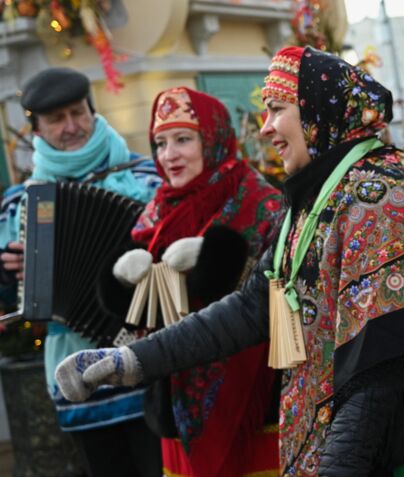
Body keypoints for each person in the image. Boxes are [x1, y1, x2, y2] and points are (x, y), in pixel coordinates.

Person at [55, 47, 404, 476]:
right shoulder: (319, 197)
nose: (265, 129)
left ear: (316, 111)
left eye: (277, 110)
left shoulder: (379, 196)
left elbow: (383, 369)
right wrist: (133, 361)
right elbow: (253, 307)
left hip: (388, 459)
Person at [99, 86, 284, 477]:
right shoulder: (156, 212)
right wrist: (123, 279)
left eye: (183, 139)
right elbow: (139, 317)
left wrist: (212, 260)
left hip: (257, 405)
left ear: (213, 140)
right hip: (176, 406)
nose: (169, 155)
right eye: (160, 143)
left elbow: (268, 299)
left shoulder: (262, 201)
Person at [0, 67, 163, 476]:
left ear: (93, 111)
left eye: (78, 113)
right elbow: (9, 302)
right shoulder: (19, 203)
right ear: (36, 130)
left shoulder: (145, 176)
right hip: (76, 376)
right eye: (56, 119)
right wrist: (9, 274)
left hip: (151, 361)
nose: (71, 127)